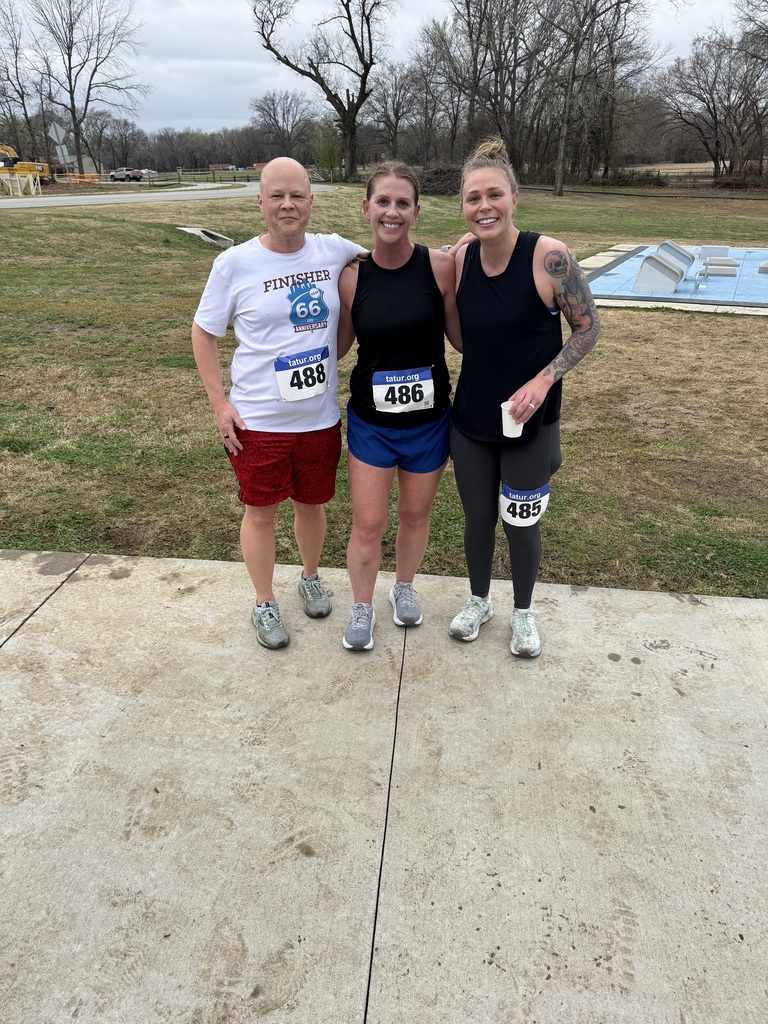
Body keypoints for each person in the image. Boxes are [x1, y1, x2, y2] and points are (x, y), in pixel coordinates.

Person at [191, 157, 365, 650]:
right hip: (258, 419)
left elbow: (393, 256)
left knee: (312, 505)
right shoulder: (235, 263)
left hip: (319, 417)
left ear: (311, 201)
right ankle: (265, 601)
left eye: (297, 195)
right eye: (276, 196)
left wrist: (454, 253)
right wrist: (219, 405)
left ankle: (310, 576)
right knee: (261, 512)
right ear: (260, 202)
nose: (287, 205)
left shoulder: (335, 251)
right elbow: (203, 333)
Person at [449, 138, 601, 658]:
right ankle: (478, 600)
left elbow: (587, 329)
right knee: (476, 519)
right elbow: (459, 332)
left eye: (494, 194)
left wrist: (543, 380)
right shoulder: (461, 259)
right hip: (470, 418)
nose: (483, 206)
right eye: (472, 198)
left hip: (528, 422)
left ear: (515, 197)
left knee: (521, 520)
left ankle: (523, 611)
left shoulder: (551, 257)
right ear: (463, 206)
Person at [337, 161, 462, 651]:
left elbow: (461, 338)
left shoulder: (441, 267)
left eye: (402, 203)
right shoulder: (351, 277)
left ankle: (404, 587)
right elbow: (339, 347)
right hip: (372, 422)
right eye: (383, 202)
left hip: (429, 422)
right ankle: (362, 607)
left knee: (415, 514)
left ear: (416, 212)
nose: (392, 212)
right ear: (366, 208)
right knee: (368, 521)